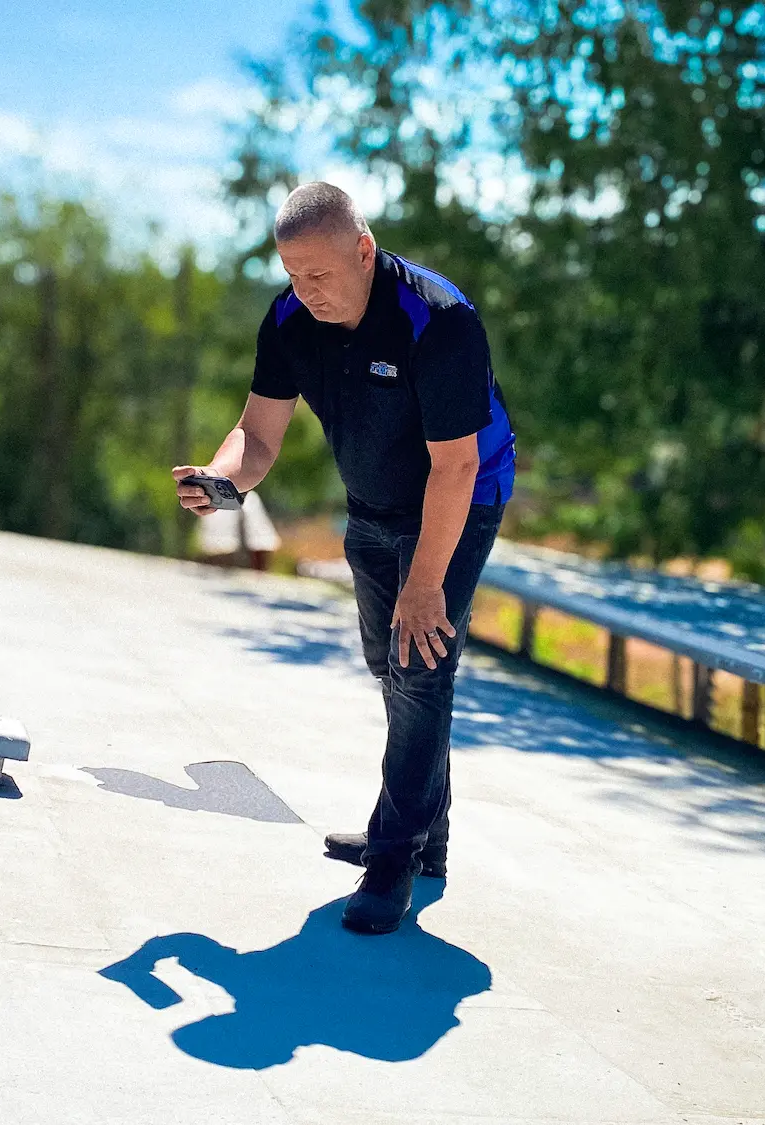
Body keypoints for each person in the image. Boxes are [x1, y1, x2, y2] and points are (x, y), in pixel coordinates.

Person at [173, 182, 516, 935]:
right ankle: (429, 836)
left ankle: (392, 857)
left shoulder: (439, 320)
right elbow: (257, 436)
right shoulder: (292, 318)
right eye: (292, 273)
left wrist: (426, 582)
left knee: (419, 664)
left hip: (462, 494)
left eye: (320, 274)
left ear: (364, 250)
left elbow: (455, 469)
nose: (306, 291)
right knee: (388, 666)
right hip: (372, 498)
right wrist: (222, 479)